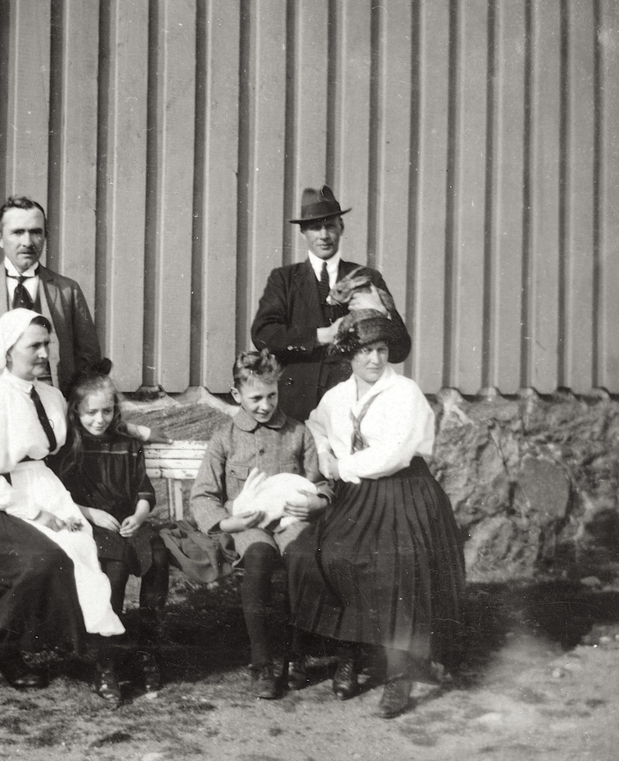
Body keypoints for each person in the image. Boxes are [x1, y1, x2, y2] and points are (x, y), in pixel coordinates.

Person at [285, 312, 466, 719]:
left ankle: (400, 671)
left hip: (403, 491)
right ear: (349, 355)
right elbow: (315, 425)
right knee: (329, 555)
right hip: (354, 495)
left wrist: (343, 466)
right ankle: (348, 652)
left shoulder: (404, 393)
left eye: (381, 350)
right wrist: (325, 454)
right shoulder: (338, 396)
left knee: (396, 561)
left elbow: (395, 454)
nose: (375, 359)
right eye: (365, 351)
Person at [0, 309, 124, 694]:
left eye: (47, 344)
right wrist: (39, 514)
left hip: (38, 486)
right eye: (34, 346)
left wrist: (73, 507)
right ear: (8, 351)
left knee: (80, 547)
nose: (44, 353)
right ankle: (1, 646)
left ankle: (89, 646)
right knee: (41, 559)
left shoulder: (52, 396)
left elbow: (85, 432)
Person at [189, 349, 333, 699]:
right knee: (257, 558)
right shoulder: (225, 438)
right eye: (256, 398)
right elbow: (203, 495)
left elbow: (320, 483)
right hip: (248, 524)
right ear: (236, 395)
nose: (265, 405)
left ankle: (296, 653)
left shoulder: (298, 433)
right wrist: (227, 522)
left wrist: (318, 501)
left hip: (291, 519)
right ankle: (262, 660)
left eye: (272, 395)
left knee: (302, 557)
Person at [52, 359, 171, 696]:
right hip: (91, 524)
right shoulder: (71, 446)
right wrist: (91, 513)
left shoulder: (127, 444)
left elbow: (144, 490)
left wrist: (140, 515)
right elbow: (57, 496)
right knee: (113, 569)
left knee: (157, 556)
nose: (99, 419)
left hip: (127, 521)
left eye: (106, 411)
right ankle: (105, 662)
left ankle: (147, 648)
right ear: (76, 411)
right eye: (91, 412)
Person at [250, 185, 411, 423]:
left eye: (330, 226)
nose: (324, 235)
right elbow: (263, 335)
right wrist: (322, 335)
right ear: (303, 232)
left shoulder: (367, 278)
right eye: (315, 227)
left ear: (341, 227)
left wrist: (381, 311)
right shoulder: (283, 279)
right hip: (295, 405)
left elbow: (400, 351)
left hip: (350, 404)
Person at [0, 196, 102, 419]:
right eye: (17, 232)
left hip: (50, 412)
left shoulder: (67, 291)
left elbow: (89, 357)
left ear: (45, 236)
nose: (27, 242)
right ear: (0, 238)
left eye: (36, 232)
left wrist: (63, 396)